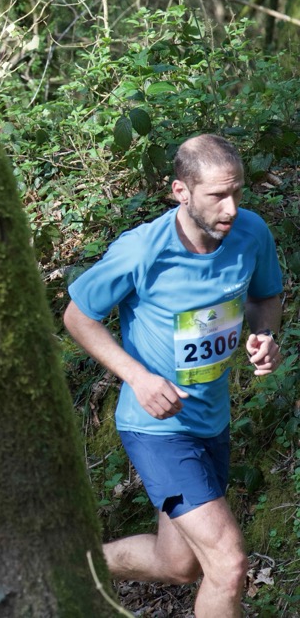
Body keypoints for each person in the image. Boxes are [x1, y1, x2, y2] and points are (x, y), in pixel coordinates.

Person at [63, 134, 282, 617]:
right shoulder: (142, 251)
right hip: (157, 428)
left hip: (211, 419)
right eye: (217, 195)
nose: (231, 208)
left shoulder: (251, 233)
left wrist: (265, 334)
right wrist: (138, 378)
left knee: (178, 564)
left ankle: (69, 566)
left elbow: (265, 296)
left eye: (238, 192)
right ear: (180, 191)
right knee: (228, 563)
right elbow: (78, 317)